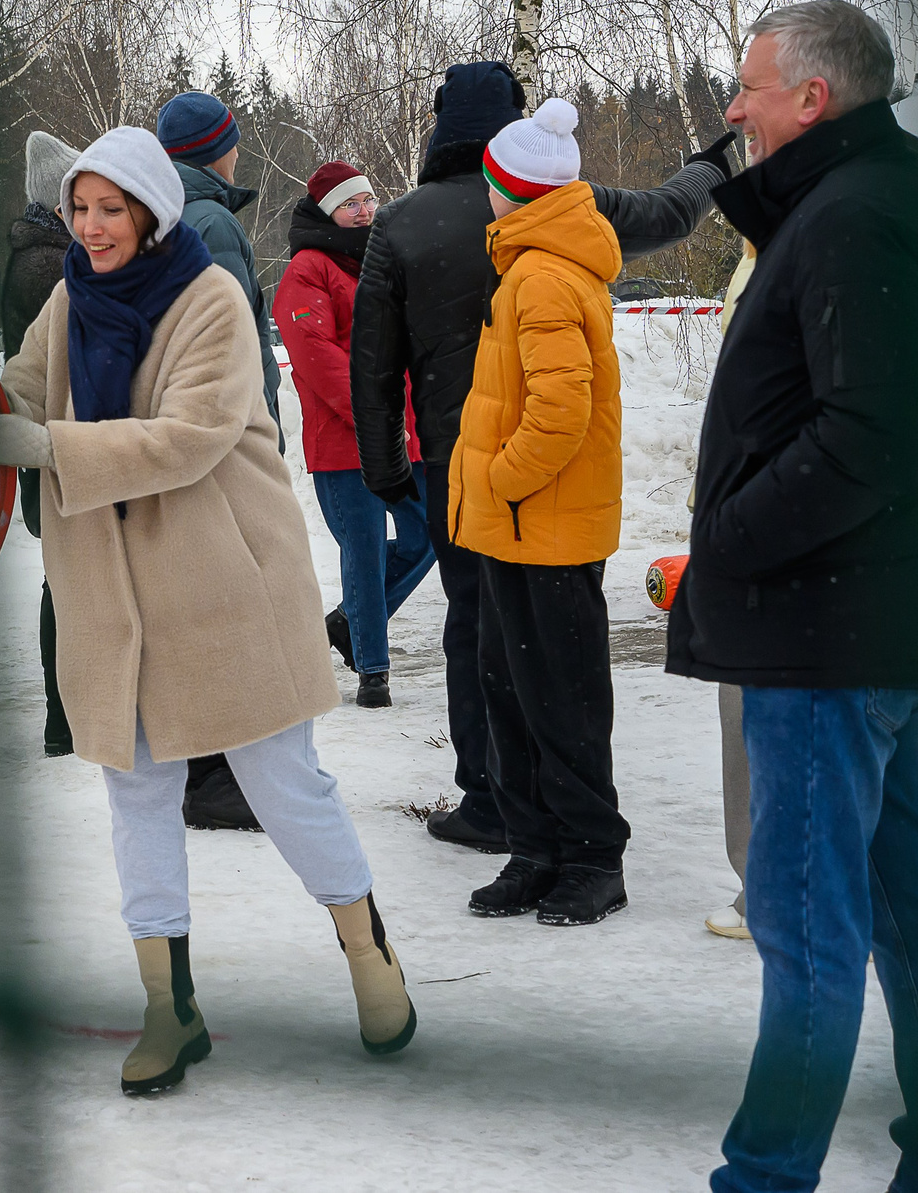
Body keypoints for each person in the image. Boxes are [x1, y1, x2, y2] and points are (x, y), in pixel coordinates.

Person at [0, 126, 415, 1096]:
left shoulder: (207, 297)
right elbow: (29, 394)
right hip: (113, 603)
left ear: (150, 210)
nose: (90, 228)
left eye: (108, 209)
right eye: (78, 210)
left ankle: (369, 952)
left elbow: (187, 437)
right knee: (138, 799)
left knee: (282, 781)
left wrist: (46, 448)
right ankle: (169, 1009)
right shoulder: (66, 299)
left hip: (221, 590)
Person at [668, 0, 918, 1193]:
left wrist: (735, 544)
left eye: (747, 88)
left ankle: (762, 1180)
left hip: (825, 634)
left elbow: (872, 437)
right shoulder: (851, 201)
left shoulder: (855, 215)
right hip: (856, 624)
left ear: (813, 98)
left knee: (806, 932)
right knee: (905, 898)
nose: (730, 109)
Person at [351, 61, 733, 854]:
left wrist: (387, 468)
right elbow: (667, 212)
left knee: (479, 633)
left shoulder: (400, 223)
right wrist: (713, 164)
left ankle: (492, 799)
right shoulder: (574, 209)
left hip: (464, 471)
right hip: (548, 477)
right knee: (554, 651)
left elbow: (374, 363)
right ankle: (551, 811)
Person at [451, 101, 631, 927]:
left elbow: (561, 409)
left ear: (509, 190)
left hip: (543, 528)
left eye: (489, 181)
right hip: (518, 527)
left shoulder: (545, 275)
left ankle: (592, 856)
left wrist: (502, 479)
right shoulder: (527, 266)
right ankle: (535, 848)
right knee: (511, 689)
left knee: (562, 698)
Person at [151, 90, 279, 831]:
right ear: (218, 148)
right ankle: (218, 777)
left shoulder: (168, 214)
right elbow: (231, 344)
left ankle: (206, 766)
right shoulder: (213, 222)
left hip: (188, 438)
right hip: (227, 444)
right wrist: (258, 433)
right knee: (231, 605)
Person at [273, 161, 432, 708]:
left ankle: (348, 622)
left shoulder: (386, 257)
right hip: (345, 441)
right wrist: (374, 410)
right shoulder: (307, 269)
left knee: (428, 535)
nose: (363, 210)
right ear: (327, 212)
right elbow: (316, 356)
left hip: (404, 436)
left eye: (367, 200)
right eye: (350, 204)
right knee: (363, 552)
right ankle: (372, 670)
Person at [0, 130, 79, 755]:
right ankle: (64, 714)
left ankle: (66, 713)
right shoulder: (51, 267)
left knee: (66, 578)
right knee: (69, 581)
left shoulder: (38, 257)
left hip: (52, 449)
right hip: (61, 451)